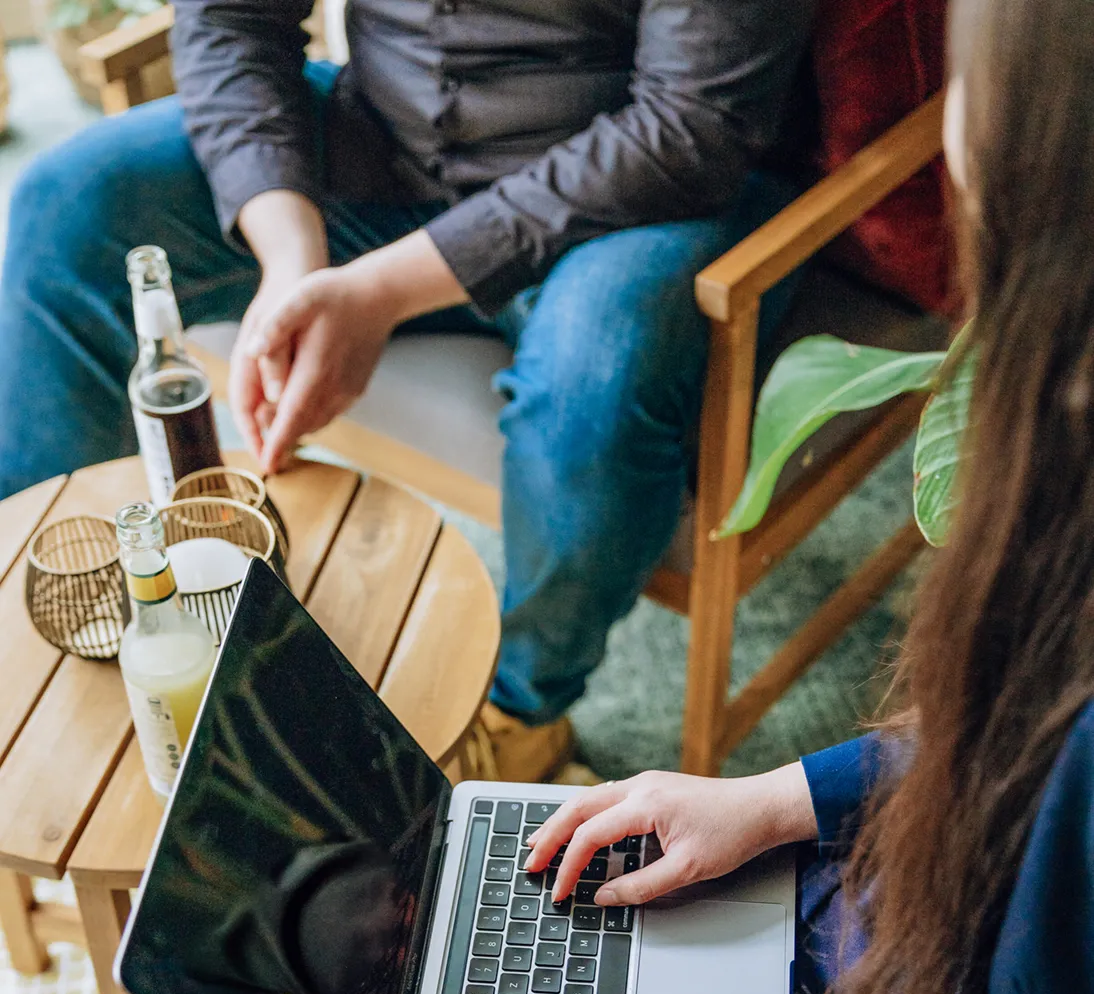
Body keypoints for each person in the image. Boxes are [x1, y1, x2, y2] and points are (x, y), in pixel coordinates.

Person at [291, 0, 1094, 994]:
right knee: (490, 945)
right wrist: (782, 796)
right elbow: (1031, 739)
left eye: (966, 84)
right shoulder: (1067, 452)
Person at [0, 0, 814, 782]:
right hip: (379, 145)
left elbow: (691, 127)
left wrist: (381, 293)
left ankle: (526, 707)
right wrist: (294, 261)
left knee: (594, 377)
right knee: (68, 202)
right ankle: (76, 626)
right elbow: (232, 17)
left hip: (634, 197)